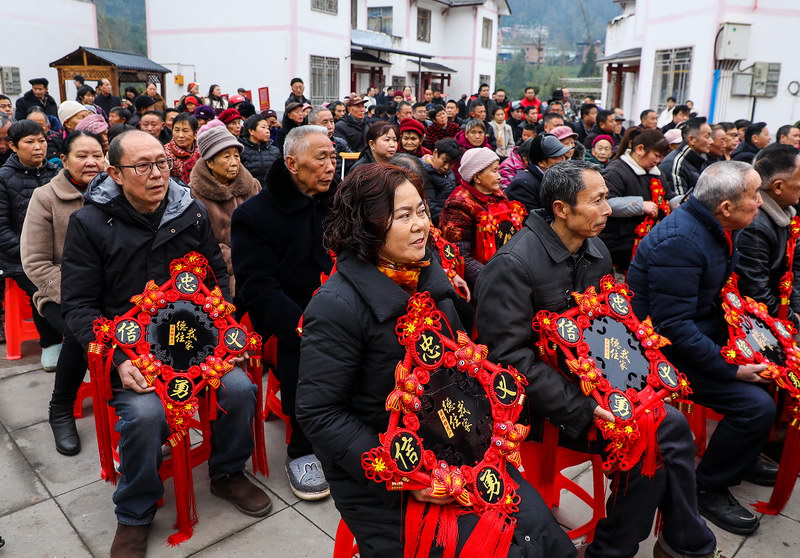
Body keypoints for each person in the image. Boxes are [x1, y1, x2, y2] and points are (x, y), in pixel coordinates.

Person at [296, 162, 575, 558]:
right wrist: (406, 474)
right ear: (366, 225)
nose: (421, 226)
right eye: (403, 216)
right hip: (385, 474)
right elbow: (319, 413)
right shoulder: (336, 306)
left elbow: (462, 368)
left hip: (456, 444)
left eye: (422, 211)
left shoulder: (429, 278)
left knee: (544, 537)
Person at [476, 159, 721, 558]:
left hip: (600, 388)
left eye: (607, 198)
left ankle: (654, 545)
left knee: (662, 426)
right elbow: (508, 359)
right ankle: (676, 544)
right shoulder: (514, 265)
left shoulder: (596, 251)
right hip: (541, 407)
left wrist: (642, 381)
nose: (609, 209)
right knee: (659, 434)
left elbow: (610, 329)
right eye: (598, 200)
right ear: (561, 209)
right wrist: (585, 407)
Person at [60, 130, 270, 556]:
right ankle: (135, 512)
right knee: (145, 414)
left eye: (162, 163)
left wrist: (223, 332)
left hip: (193, 341)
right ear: (115, 174)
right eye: (143, 166)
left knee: (240, 389)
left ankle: (227, 473)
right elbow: (78, 305)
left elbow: (215, 275)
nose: (157, 174)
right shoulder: (89, 223)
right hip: (132, 349)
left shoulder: (189, 211)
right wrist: (118, 358)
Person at [628, 161, 773, 537]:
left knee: (773, 367)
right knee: (756, 406)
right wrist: (731, 369)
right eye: (754, 195)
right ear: (725, 207)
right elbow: (673, 327)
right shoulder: (681, 241)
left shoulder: (716, 225)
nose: (760, 202)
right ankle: (707, 486)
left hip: (700, 330)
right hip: (664, 352)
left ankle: (740, 457)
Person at [232, 125, 335, 501]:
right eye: (321, 158)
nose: (330, 165)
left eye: (332, 156)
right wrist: (302, 324)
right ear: (292, 163)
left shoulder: (338, 200)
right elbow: (257, 287)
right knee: (308, 353)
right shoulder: (254, 215)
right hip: (285, 315)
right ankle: (302, 449)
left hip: (338, 304)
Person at [21, 131, 104, 456]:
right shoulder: (46, 197)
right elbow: (35, 263)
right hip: (59, 293)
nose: (91, 162)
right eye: (82, 156)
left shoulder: (117, 192)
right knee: (78, 330)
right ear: (65, 160)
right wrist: (80, 297)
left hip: (109, 292)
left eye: (97, 155)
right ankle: (61, 408)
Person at [0, 120, 61, 370]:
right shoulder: (3, 178)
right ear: (13, 146)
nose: (38, 147)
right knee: (43, 285)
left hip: (58, 251)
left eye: (42, 141)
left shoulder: (55, 173)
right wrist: (31, 253)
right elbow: (1, 229)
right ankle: (50, 342)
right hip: (19, 257)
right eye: (30, 142)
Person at [190, 121, 260, 294]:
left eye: (236, 156)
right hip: (218, 277)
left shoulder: (253, 186)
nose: (234, 162)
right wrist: (235, 259)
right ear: (210, 162)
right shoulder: (193, 195)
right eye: (226, 157)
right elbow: (200, 242)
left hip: (257, 269)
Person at [736, 144, 800, 326]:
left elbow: (796, 267)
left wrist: (797, 310)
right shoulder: (754, 227)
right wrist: (794, 322)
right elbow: (756, 293)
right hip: (761, 319)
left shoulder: (787, 211)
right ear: (778, 186)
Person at [599, 128, 671, 270]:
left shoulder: (657, 173)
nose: (658, 161)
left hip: (649, 236)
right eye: (656, 155)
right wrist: (641, 205)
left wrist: (679, 202)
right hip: (620, 240)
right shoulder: (616, 171)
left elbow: (668, 195)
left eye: (661, 157)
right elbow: (605, 202)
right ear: (639, 149)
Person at [439, 147, 507, 287]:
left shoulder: (498, 194)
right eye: (494, 171)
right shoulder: (458, 205)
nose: (499, 176)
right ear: (477, 177)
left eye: (498, 170)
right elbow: (459, 254)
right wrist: (494, 280)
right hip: (483, 280)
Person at [507, 134, 571, 212]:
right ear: (541, 163)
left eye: (563, 156)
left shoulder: (557, 178)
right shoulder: (523, 185)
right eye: (557, 157)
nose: (563, 160)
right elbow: (531, 217)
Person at [660, 117, 713, 197]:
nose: (711, 141)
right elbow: (680, 201)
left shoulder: (701, 160)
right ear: (691, 139)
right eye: (707, 137)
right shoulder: (675, 164)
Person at [420, 137, 461, 224]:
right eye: (445, 161)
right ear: (435, 152)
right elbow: (431, 207)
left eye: (451, 164)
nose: (446, 167)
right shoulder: (424, 173)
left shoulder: (449, 172)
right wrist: (453, 218)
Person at [238, 113, 281, 188]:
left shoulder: (275, 151)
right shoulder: (240, 150)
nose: (267, 131)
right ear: (251, 131)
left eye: (268, 128)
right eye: (263, 127)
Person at [163, 112, 200, 185]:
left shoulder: (201, 151)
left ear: (195, 133)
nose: (180, 135)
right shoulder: (165, 153)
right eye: (176, 130)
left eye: (185, 131)